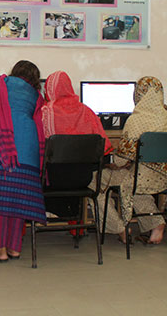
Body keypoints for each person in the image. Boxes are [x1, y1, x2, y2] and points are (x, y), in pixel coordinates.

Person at [96, 76, 167, 245]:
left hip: (141, 179)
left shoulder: (137, 119)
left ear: (138, 94)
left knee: (97, 182)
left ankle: (121, 229)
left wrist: (110, 159)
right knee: (134, 181)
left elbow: (121, 161)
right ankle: (157, 224)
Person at [0, 60, 46, 262]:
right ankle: (14, 248)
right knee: (18, 196)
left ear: (14, 72)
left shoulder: (0, 84)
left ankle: (0, 250)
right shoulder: (35, 95)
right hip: (27, 142)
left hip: (0, 142)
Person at [41, 71, 113, 230]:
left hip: (53, 180)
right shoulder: (87, 111)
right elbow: (104, 151)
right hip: (82, 179)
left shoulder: (45, 113)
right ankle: (75, 220)